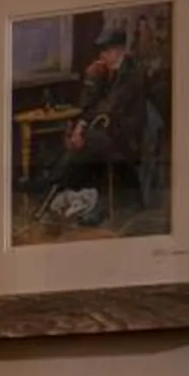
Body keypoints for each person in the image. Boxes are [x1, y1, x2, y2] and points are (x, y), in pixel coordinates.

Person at [41, 28, 153, 229]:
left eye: (107, 51)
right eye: (101, 51)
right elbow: (88, 106)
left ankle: (58, 185)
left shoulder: (133, 71)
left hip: (128, 135)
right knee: (81, 142)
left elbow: (111, 105)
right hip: (109, 131)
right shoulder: (105, 72)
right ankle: (66, 189)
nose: (102, 56)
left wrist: (82, 129)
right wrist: (91, 80)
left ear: (120, 49)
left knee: (85, 143)